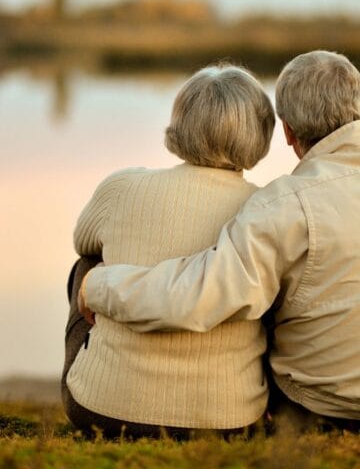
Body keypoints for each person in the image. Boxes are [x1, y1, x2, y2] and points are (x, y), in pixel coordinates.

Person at [79, 51, 360, 429]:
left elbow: (197, 297)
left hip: (324, 403)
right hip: (269, 404)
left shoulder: (284, 206)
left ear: (288, 130)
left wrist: (97, 283)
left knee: (87, 265)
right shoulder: (270, 202)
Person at [62, 64, 276, 439]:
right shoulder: (266, 209)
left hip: (102, 410)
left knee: (87, 265)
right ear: (261, 132)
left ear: (180, 123)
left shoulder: (122, 186)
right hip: (229, 419)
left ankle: (108, 372)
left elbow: (83, 241)